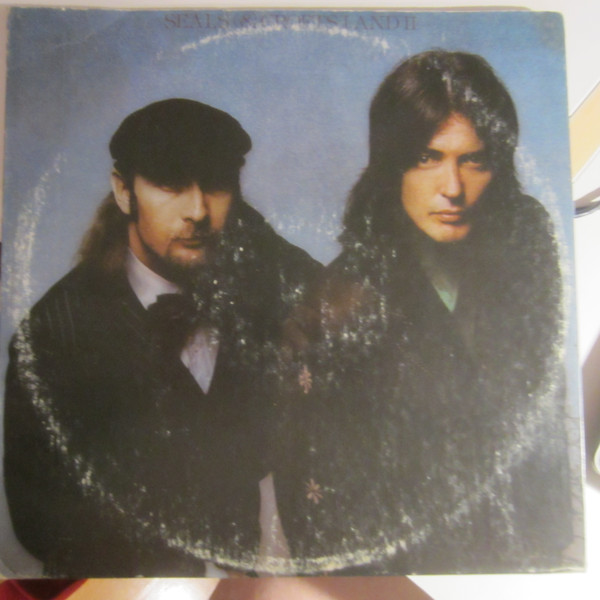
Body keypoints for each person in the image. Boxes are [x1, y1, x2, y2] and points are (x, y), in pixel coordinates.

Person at [275, 50, 574, 575]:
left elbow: (544, 428)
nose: (452, 188)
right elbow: (315, 497)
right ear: (390, 165)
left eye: (474, 160)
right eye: (426, 158)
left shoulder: (529, 245)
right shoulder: (337, 302)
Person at [4, 99, 320, 577]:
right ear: (123, 191)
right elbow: (40, 524)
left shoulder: (273, 274)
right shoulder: (53, 335)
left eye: (215, 183)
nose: (197, 210)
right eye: (170, 184)